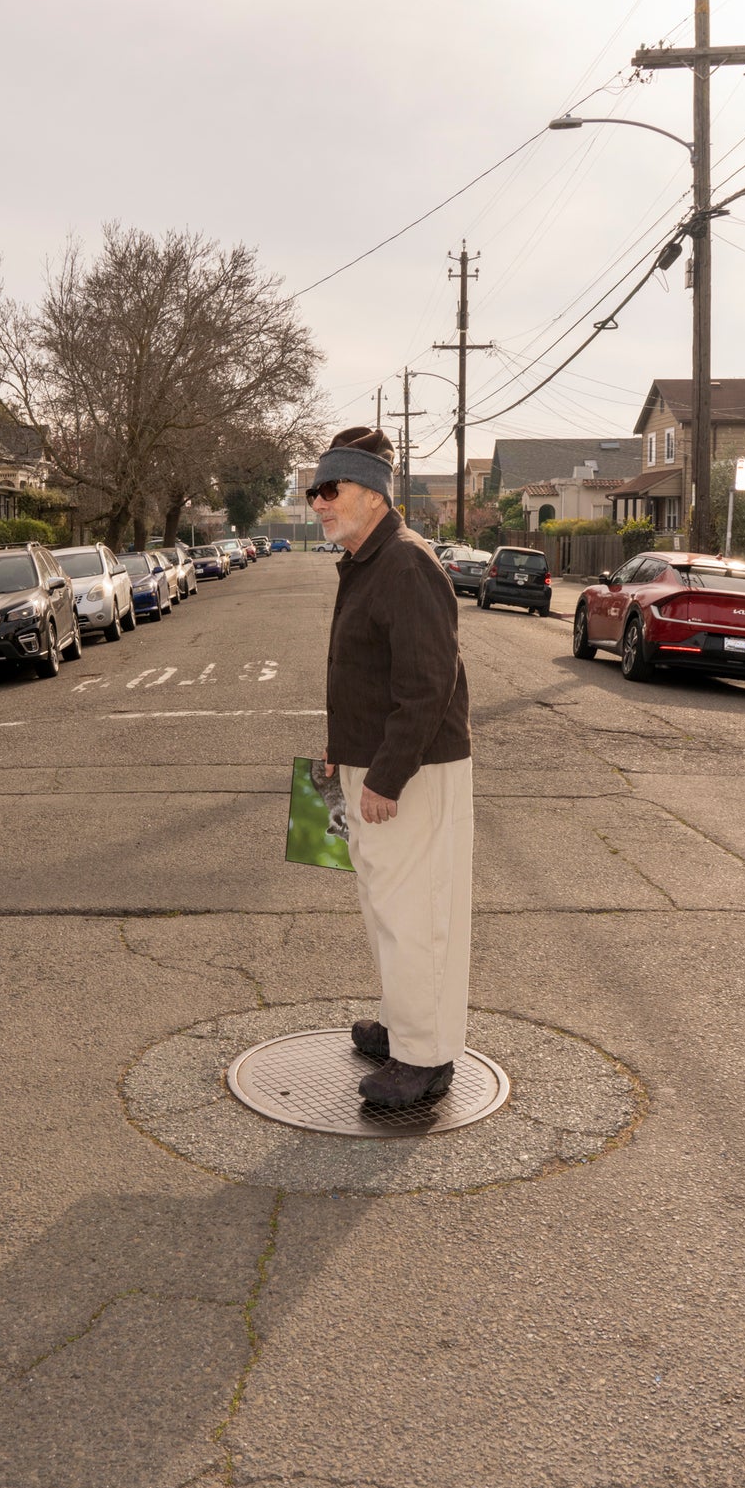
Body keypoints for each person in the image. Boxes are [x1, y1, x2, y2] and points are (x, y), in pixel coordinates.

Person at [309, 426, 472, 1114]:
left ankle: (425, 1057)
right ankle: (405, 1025)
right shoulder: (367, 561)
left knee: (417, 914)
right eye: (313, 491)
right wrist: (339, 750)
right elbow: (368, 678)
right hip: (370, 764)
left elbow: (426, 684)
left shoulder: (404, 564)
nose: (318, 503)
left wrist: (383, 776)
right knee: (385, 908)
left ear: (372, 495)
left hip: (410, 775)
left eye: (330, 489)